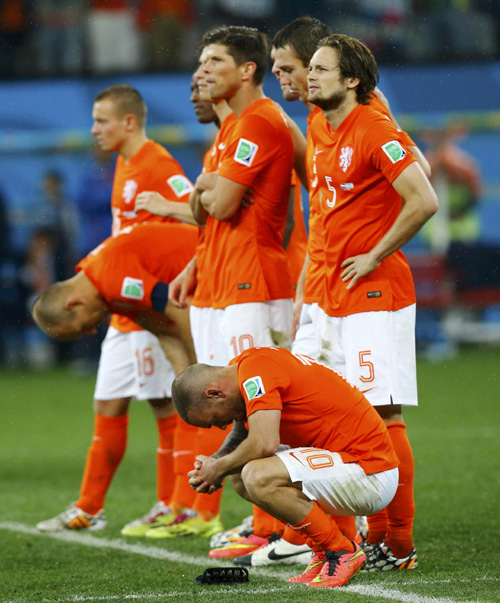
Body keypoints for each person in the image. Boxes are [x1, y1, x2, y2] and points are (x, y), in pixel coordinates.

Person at [34, 84, 198, 535]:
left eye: (102, 121)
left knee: (165, 404)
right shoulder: (124, 163)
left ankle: (176, 503)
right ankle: (90, 506)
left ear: (128, 121)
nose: (94, 130)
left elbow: (196, 213)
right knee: (107, 402)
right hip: (120, 301)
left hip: (145, 295)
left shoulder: (156, 163)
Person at [307, 33, 438, 570]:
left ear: (351, 80)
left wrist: (375, 252)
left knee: (382, 414)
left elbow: (423, 196)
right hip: (334, 294)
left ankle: (399, 544)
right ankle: (376, 535)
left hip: (375, 292)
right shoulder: (322, 126)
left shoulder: (372, 126)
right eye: (307, 67)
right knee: (348, 416)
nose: (310, 77)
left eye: (321, 69)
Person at [184, 25, 297, 557]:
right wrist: (207, 190)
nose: (202, 71)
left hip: (257, 279)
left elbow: (221, 204)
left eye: (214, 60)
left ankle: (278, 527)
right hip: (232, 280)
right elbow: (201, 208)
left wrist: (208, 187)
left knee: (262, 407)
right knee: (243, 409)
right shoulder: (231, 130)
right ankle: (268, 523)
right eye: (201, 61)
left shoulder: (260, 122)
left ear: (248, 69)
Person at [171, 346, 400, 589]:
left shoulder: (256, 373)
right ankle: (323, 550)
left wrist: (216, 469)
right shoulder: (245, 368)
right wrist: (217, 463)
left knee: (256, 474)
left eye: (214, 420)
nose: (220, 427)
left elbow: (264, 442)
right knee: (240, 473)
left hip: (369, 472)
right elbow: (243, 429)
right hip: (346, 465)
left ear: (214, 394)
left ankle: (341, 550)